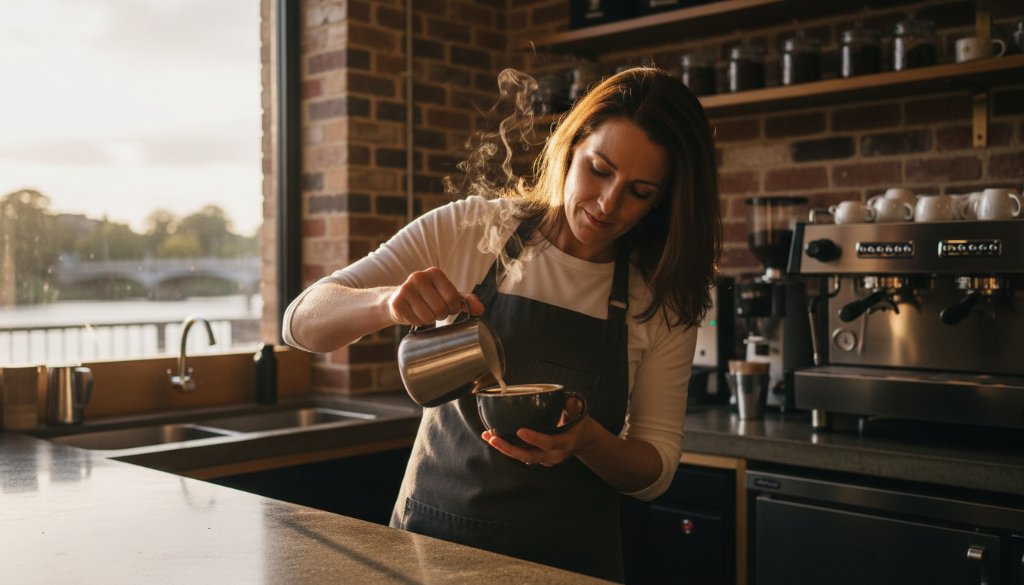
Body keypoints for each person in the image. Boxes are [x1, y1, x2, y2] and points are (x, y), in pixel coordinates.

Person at [282, 67, 721, 582]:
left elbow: (656, 472)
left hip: (568, 565)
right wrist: (388, 304)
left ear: (664, 201)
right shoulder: (472, 227)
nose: (608, 204)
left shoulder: (659, 296)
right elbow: (301, 322)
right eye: (599, 169)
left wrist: (587, 442)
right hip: (430, 549)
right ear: (572, 147)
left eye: (639, 192)